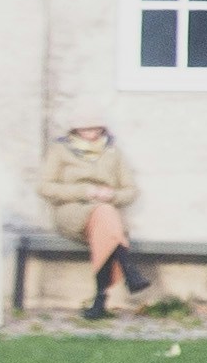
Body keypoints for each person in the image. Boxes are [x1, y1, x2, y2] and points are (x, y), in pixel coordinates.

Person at [39, 115, 153, 317]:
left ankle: (100, 301)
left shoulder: (113, 152)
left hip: (105, 211)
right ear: (75, 131)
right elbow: (45, 187)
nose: (91, 135)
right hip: (71, 209)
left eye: (96, 130)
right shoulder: (60, 150)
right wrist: (84, 191)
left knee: (105, 223)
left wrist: (113, 195)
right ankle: (128, 272)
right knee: (107, 219)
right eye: (85, 130)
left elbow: (130, 190)